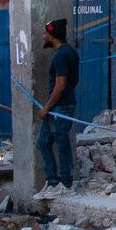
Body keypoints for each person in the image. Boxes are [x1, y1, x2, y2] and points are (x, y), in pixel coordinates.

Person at [33, 18, 80, 196]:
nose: (43, 36)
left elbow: (60, 85)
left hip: (60, 108)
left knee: (61, 145)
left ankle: (66, 185)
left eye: (46, 33)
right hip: (56, 108)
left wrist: (47, 107)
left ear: (52, 36)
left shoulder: (61, 55)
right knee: (43, 143)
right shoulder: (67, 53)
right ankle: (52, 183)